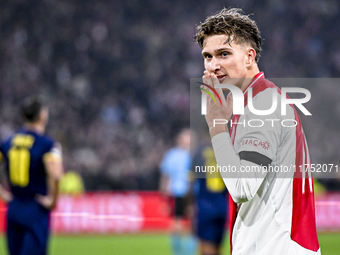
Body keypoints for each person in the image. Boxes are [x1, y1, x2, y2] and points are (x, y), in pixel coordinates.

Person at [194, 8, 320, 255]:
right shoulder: (254, 101)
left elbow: (242, 188)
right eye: (208, 56)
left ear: (249, 57)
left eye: (224, 54)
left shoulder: (263, 104)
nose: (213, 64)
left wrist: (216, 126)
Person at [0, 95, 64, 255]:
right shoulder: (47, 144)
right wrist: (52, 201)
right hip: (36, 207)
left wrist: (2, 194)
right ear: (42, 115)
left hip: (13, 207)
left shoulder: (9, 141)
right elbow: (56, 175)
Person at [160, 128, 196, 255]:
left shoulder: (194, 154)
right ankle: (178, 251)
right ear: (180, 139)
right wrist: (164, 198)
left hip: (192, 193)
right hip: (177, 193)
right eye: (187, 137)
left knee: (193, 222)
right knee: (176, 223)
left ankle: (189, 251)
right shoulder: (172, 154)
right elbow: (166, 176)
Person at [191, 136, 228, 255]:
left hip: (205, 206)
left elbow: (190, 181)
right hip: (223, 206)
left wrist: (190, 206)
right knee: (217, 246)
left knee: (206, 245)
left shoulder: (199, 151)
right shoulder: (227, 151)